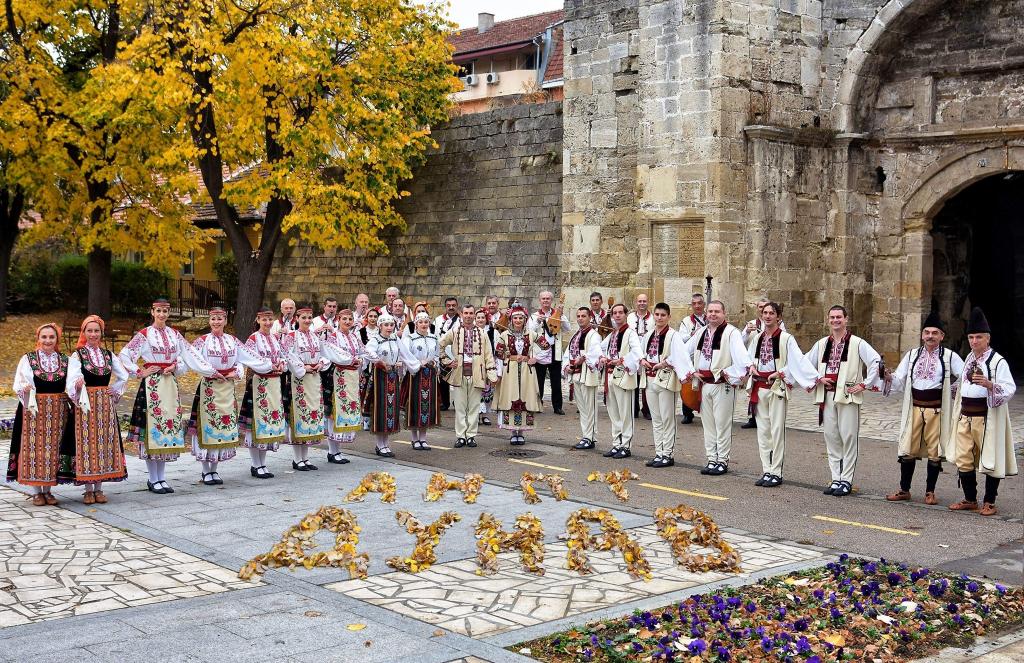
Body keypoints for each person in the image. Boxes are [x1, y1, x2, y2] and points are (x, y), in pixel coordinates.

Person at [120, 298, 217, 494]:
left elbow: (189, 356)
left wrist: (177, 366)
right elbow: (124, 355)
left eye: (165, 311)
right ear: (152, 312)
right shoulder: (144, 334)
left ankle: (162, 478)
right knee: (153, 430)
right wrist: (140, 372)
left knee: (167, 430)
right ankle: (152, 478)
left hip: (170, 386)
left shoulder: (175, 335)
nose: (162, 315)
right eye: (159, 311)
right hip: (152, 385)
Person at [885, 311, 964, 505]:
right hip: (914, 409)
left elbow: (965, 376)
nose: (930, 336)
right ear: (922, 335)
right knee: (908, 449)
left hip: (937, 411)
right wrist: (888, 377)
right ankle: (904, 489)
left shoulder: (949, 356)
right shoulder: (912, 355)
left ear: (941, 336)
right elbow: (898, 378)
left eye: (934, 333)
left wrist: (953, 390)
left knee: (935, 451)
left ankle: (930, 492)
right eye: (927, 332)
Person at [187, 305, 271, 485]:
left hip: (227, 389)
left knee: (222, 428)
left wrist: (239, 372)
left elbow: (245, 358)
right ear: (209, 321)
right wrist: (209, 371)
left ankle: (215, 470)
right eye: (213, 319)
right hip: (209, 387)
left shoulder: (233, 340)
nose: (216, 322)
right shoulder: (202, 341)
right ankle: (205, 471)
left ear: (225, 321)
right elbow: (189, 358)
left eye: (220, 319)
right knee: (207, 427)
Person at [805, 305, 881, 497]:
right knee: (831, 437)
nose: (835, 320)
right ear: (828, 320)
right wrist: (817, 378)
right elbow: (805, 362)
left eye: (839, 317)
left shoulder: (857, 343)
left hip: (847, 395)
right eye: (832, 317)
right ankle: (836, 478)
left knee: (848, 437)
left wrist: (864, 384)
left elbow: (876, 361)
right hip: (827, 395)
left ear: (846, 319)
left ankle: (846, 480)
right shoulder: (822, 343)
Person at [947, 307, 1016, 516]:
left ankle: (989, 501)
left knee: (990, 457)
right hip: (965, 416)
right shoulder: (969, 358)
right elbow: (961, 384)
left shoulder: (998, 361)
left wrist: (988, 384)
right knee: (964, 457)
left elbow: (1010, 388)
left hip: (986, 417)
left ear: (987, 338)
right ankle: (969, 498)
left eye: (978, 337)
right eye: (971, 337)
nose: (974, 341)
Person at [744, 302, 817, 487]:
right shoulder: (757, 337)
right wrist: (751, 365)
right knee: (763, 430)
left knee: (777, 430)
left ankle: (776, 472)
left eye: (771, 313)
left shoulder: (786, 338)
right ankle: (766, 470)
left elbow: (797, 361)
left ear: (778, 317)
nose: (767, 316)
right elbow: (749, 357)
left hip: (776, 387)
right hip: (759, 387)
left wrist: (781, 372)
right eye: (765, 313)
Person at [6, 323, 76, 505]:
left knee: (53, 448)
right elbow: (19, 382)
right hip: (33, 408)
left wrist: (77, 386)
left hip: (57, 410)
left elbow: (71, 383)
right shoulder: (28, 359)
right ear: (38, 338)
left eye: (51, 337)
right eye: (44, 337)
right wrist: (25, 387)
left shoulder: (66, 360)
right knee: (35, 449)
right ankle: (37, 491)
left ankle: (49, 489)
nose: (47, 340)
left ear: (56, 339)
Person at [682, 300, 751, 476]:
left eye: (717, 311)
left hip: (722, 384)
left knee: (722, 424)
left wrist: (734, 373)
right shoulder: (701, 332)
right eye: (710, 311)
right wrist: (690, 371)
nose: (713, 314)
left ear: (724, 313)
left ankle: (722, 460)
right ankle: (711, 458)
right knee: (708, 424)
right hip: (704, 384)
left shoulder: (731, 333)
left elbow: (742, 358)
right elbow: (682, 352)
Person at [67, 316, 129, 503]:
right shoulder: (77, 355)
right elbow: (71, 379)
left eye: (96, 331)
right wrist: (77, 386)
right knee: (87, 443)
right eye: (90, 331)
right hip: (86, 403)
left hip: (105, 404)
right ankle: (88, 489)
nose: (93, 334)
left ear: (101, 333)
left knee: (103, 442)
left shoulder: (108, 355)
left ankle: (99, 488)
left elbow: (124, 376)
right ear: (84, 333)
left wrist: (115, 390)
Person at [640, 303, 693, 468]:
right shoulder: (648, 335)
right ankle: (659, 452)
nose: (659, 318)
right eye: (657, 314)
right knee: (656, 418)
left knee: (667, 418)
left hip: (666, 379)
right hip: (650, 379)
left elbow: (680, 355)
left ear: (669, 317)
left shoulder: (673, 335)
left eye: (663, 315)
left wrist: (665, 362)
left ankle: (667, 454)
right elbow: (641, 353)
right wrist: (642, 360)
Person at [240, 306, 290, 479]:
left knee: (268, 422)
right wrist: (269, 365)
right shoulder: (253, 339)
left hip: (274, 384)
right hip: (259, 383)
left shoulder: (276, 338)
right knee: (257, 423)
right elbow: (250, 359)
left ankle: (263, 463)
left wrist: (282, 364)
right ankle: (255, 464)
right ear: (258, 320)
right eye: (264, 320)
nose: (268, 323)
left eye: (270, 320)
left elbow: (284, 355)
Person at [439, 304, 497, 448]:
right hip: (459, 372)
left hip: (477, 372)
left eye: (471, 313)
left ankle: (471, 435)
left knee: (474, 406)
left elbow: (489, 355)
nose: (469, 316)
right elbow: (439, 345)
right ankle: (460, 436)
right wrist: (447, 361)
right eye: (466, 313)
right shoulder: (454, 331)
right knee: (460, 407)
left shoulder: (482, 333)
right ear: (461, 314)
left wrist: (491, 375)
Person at [281, 305, 329, 471]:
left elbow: (325, 353)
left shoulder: (316, 336)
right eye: (304, 318)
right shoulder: (292, 336)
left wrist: (321, 363)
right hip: (299, 380)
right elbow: (286, 354)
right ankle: (297, 458)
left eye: (310, 317)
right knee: (300, 416)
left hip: (314, 379)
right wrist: (303, 367)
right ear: (297, 319)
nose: (307, 320)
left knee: (311, 416)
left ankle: (305, 457)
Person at [365, 312, 420, 457]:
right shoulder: (375, 339)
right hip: (380, 377)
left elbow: (405, 353)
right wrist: (380, 361)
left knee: (391, 409)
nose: (389, 328)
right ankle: (379, 444)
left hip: (393, 376)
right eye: (386, 325)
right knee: (381, 409)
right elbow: (368, 351)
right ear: (380, 326)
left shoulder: (395, 338)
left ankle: (386, 444)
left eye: (391, 325)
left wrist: (415, 365)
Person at [320, 308, 368, 465]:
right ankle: (332, 451)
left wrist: (361, 360)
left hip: (352, 378)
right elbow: (331, 356)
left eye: (350, 319)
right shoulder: (333, 338)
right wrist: (351, 360)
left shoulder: (355, 337)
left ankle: (337, 450)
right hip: (337, 377)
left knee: (346, 411)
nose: (347, 322)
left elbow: (364, 352)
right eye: (344, 319)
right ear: (338, 320)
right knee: (335, 413)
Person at [597, 303, 642, 459]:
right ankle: (616, 443)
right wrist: (602, 357)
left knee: (625, 413)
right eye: (614, 313)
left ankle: (626, 446)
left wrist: (621, 360)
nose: (617, 315)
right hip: (610, 376)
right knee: (614, 412)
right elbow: (600, 347)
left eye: (620, 313)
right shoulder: (613, 333)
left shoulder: (631, 333)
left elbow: (637, 353)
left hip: (624, 377)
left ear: (625, 314)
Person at [494, 303, 542, 445]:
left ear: (525, 319)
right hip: (511, 371)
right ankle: (513, 432)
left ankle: (521, 432)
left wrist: (535, 358)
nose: (518, 321)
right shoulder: (504, 335)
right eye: (516, 318)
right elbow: (498, 353)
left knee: (526, 396)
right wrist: (505, 362)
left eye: (521, 318)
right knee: (511, 396)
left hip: (527, 371)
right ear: (511, 320)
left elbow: (547, 347)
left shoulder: (532, 335)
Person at [739, 297, 788, 429]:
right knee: (754, 395)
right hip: (756, 365)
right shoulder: (751, 324)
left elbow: (784, 343)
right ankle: (753, 417)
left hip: (774, 371)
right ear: (758, 310)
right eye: (762, 309)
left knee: (775, 422)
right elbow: (741, 342)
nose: (766, 313)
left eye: (770, 311)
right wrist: (747, 331)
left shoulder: (781, 329)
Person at [565, 308, 603, 450]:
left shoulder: (594, 335)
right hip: (576, 375)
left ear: (589, 317)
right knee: (582, 409)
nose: (580, 318)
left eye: (583, 316)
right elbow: (567, 353)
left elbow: (595, 352)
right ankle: (585, 435)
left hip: (588, 376)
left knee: (590, 408)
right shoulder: (575, 335)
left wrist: (584, 357)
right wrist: (567, 366)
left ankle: (591, 437)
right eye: (578, 316)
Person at [403, 313, 441, 450]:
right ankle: (414, 438)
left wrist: (434, 362)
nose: (424, 325)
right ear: (416, 324)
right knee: (415, 405)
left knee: (426, 405)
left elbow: (437, 354)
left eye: (426, 322)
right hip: (415, 375)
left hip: (429, 374)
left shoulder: (433, 337)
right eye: (421, 322)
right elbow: (406, 355)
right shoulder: (410, 338)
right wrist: (418, 363)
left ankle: (423, 438)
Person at [529, 291, 570, 415]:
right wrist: (537, 321)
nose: (545, 300)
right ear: (540, 300)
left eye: (548, 298)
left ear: (551, 300)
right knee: (539, 379)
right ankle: (537, 404)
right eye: (543, 299)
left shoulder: (557, 314)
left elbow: (567, 328)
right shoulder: (534, 315)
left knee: (556, 380)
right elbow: (529, 331)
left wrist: (561, 315)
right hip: (540, 351)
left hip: (554, 350)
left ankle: (557, 406)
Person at [678, 293, 708, 424]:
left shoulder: (710, 318)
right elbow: (681, 337)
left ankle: (706, 410)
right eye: (694, 304)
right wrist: (693, 333)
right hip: (691, 355)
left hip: (705, 355)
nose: (697, 306)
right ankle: (687, 412)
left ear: (704, 304)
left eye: (699, 303)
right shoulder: (686, 321)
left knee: (705, 382)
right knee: (688, 382)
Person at [627, 293, 653, 420]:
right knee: (633, 382)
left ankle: (647, 409)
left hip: (647, 354)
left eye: (644, 301)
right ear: (636, 303)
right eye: (640, 301)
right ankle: (634, 408)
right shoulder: (630, 317)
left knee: (646, 383)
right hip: (633, 354)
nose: (642, 303)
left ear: (648, 302)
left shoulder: (653, 318)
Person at [434, 297, 461, 411]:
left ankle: (458, 402)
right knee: (443, 379)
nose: (451, 307)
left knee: (458, 378)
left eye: (453, 305)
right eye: (448, 305)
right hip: (443, 352)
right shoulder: (438, 319)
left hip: (457, 353)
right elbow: (435, 336)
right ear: (445, 306)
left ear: (457, 306)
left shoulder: (462, 320)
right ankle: (444, 402)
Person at [359, 307, 382, 430]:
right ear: (366, 318)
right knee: (365, 392)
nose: (373, 319)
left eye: (375, 316)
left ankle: (377, 417)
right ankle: (365, 419)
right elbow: (360, 349)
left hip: (379, 366)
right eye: (370, 316)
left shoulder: (381, 331)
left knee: (377, 392)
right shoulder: (361, 331)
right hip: (367, 366)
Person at [477, 308, 497, 427]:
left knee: (488, 390)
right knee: (477, 389)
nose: (480, 320)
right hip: (476, 364)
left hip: (488, 362)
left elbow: (495, 348)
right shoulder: (472, 331)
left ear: (486, 319)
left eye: (482, 317)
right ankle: (477, 414)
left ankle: (485, 415)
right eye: (478, 317)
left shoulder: (491, 331)